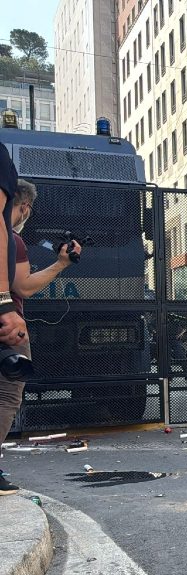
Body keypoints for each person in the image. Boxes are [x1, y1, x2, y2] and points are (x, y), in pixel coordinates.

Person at [0, 163, 34, 496]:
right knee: (9, 394)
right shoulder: (13, 240)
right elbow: (23, 288)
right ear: (23, 205)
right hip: (8, 324)